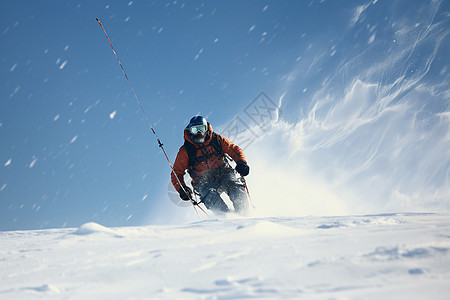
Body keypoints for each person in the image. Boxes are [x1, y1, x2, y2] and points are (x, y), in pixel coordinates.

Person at [171, 116, 250, 214]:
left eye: (201, 129)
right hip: (203, 181)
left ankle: (245, 213)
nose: (199, 133)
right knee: (210, 196)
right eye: (195, 130)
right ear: (190, 131)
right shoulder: (186, 150)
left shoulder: (216, 139)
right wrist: (182, 189)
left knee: (235, 188)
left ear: (207, 129)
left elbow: (233, 149)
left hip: (223, 172)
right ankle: (226, 218)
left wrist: (241, 162)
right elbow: (176, 173)